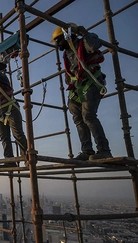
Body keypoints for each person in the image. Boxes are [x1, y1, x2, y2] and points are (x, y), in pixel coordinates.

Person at [51, 24, 112, 161]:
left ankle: (104, 150)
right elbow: (72, 71)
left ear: (67, 36)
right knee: (78, 118)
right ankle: (87, 151)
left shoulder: (83, 43)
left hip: (92, 82)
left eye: (59, 40)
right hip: (78, 87)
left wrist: (85, 34)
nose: (57, 45)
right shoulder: (67, 54)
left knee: (88, 116)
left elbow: (94, 45)